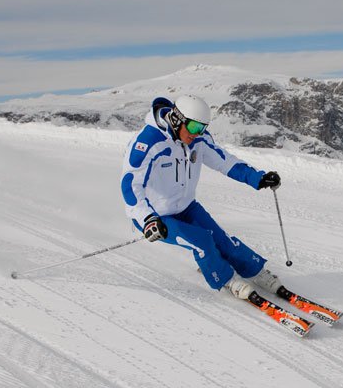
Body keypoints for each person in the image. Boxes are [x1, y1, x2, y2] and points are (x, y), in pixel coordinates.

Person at [120, 94, 284, 301]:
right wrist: (147, 219)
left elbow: (225, 162)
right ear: (177, 120)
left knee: (222, 240)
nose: (199, 134)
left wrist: (257, 178)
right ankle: (226, 279)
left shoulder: (197, 139)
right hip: (157, 217)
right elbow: (130, 183)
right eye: (195, 128)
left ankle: (254, 272)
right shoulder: (148, 142)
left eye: (203, 128)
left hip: (186, 207)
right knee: (203, 242)